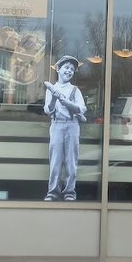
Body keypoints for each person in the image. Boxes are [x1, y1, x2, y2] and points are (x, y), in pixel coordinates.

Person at [43, 55, 86, 201]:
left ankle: (69, 192)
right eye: (66, 67)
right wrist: (55, 97)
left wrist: (66, 102)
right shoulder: (51, 89)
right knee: (55, 160)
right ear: (58, 69)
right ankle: (53, 192)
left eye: (72, 69)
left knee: (71, 161)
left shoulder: (75, 90)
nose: (69, 71)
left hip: (72, 125)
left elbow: (81, 109)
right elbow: (48, 110)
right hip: (57, 125)